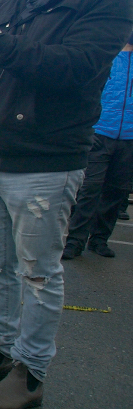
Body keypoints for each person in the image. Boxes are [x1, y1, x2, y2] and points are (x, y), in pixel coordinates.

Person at [0, 0, 133, 409]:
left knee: (39, 274)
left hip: (46, 160)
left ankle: (31, 372)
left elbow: (77, 67)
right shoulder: (10, 1)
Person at [62, 35, 133, 260]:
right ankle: (75, 240)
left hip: (129, 137)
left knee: (116, 190)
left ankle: (100, 239)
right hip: (101, 132)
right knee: (89, 189)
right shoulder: (108, 56)